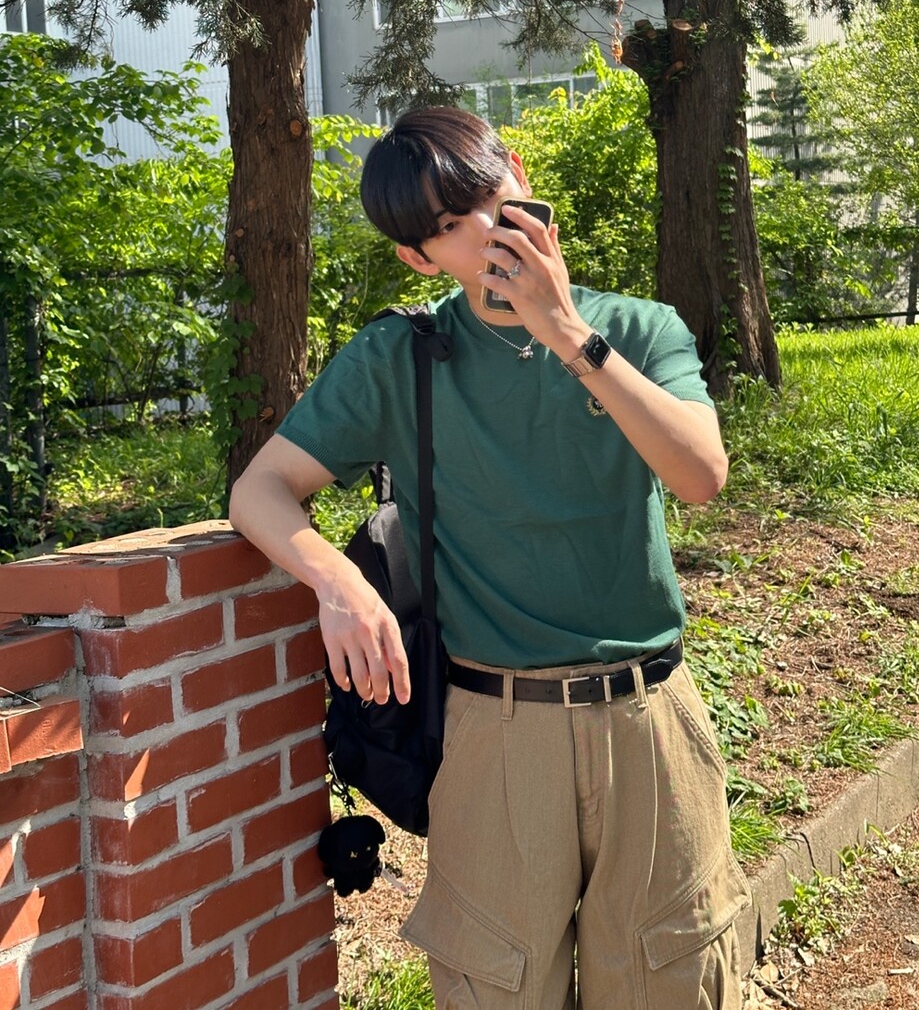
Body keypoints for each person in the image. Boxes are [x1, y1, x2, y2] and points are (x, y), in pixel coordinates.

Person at [229, 105, 751, 1009]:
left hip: (650, 720)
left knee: (672, 980)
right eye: (446, 227)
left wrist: (568, 333)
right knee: (493, 989)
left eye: (485, 197)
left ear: (518, 174)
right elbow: (259, 490)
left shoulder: (637, 328)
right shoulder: (400, 356)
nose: (481, 230)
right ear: (418, 258)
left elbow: (702, 473)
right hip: (495, 727)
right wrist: (339, 581)